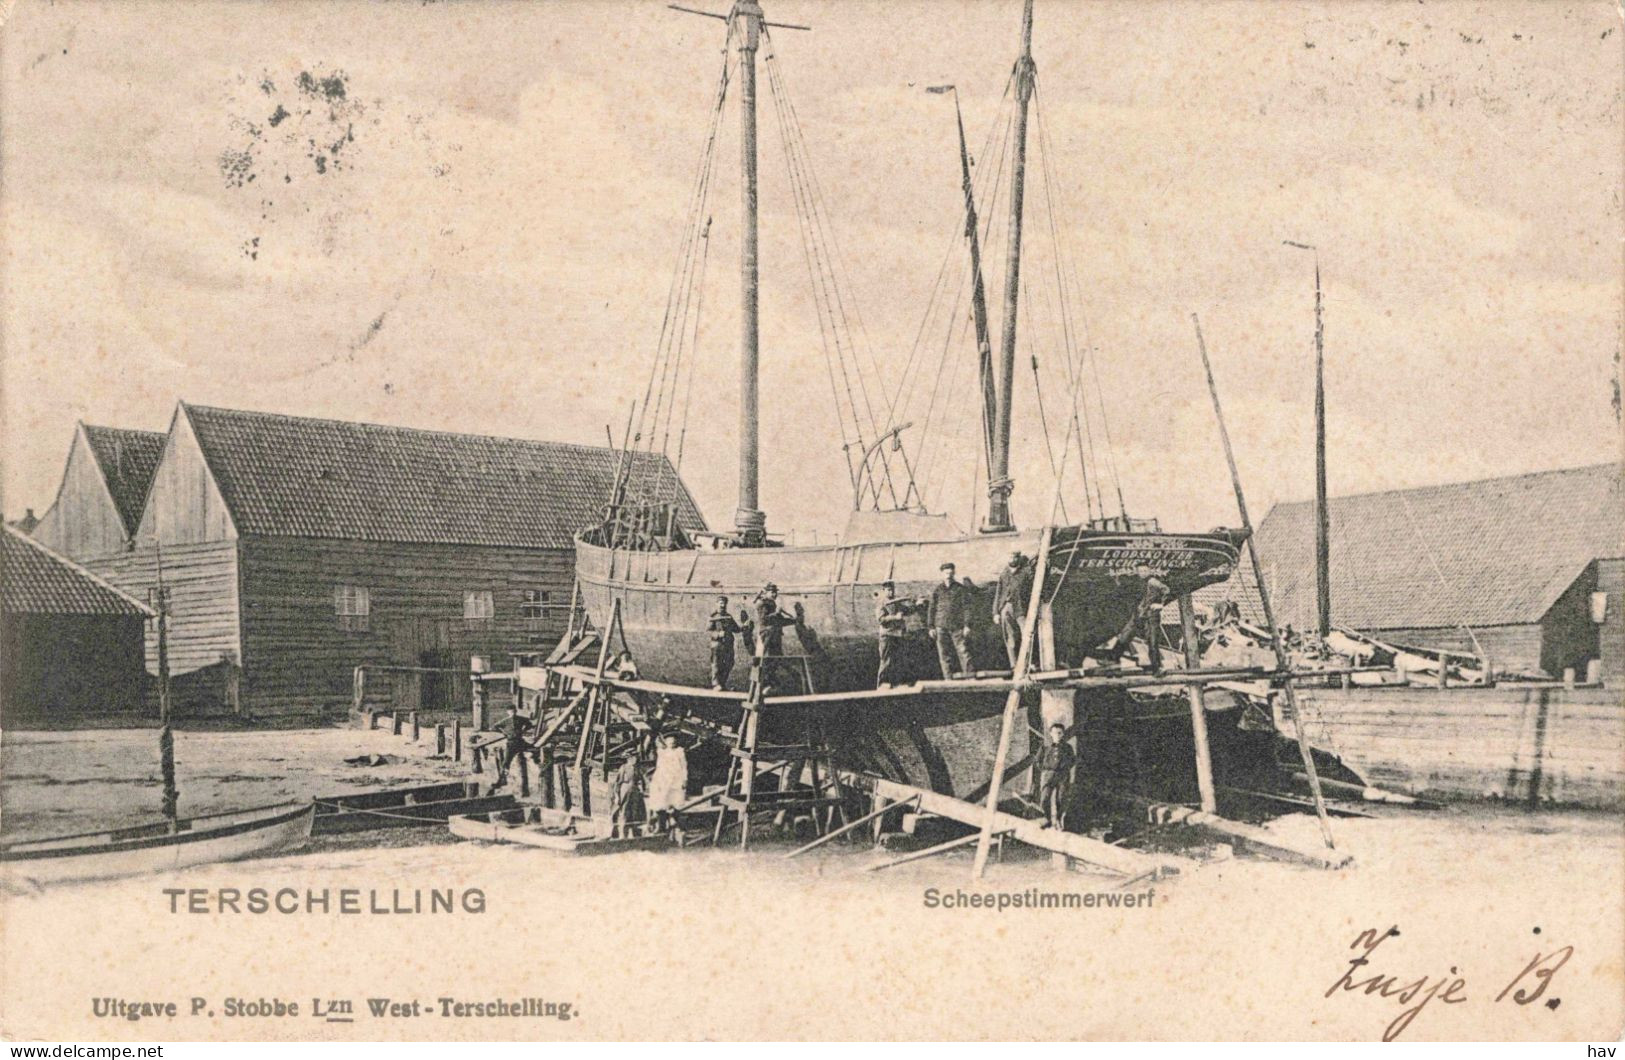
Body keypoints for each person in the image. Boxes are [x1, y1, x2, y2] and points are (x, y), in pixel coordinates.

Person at [927, 561, 974, 678]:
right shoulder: (938, 590)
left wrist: (967, 625)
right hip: (940, 627)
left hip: (957, 627)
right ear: (942, 574)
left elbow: (967, 608)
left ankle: (970, 677)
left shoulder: (960, 589)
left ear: (954, 573)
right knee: (944, 655)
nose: (948, 575)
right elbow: (931, 609)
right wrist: (931, 627)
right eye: (946, 573)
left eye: (950, 572)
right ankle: (948, 679)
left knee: (963, 652)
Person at [752, 583, 801, 690]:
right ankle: (766, 683)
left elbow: (778, 621)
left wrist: (793, 621)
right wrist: (776, 613)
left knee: (776, 658)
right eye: (772, 592)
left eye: (775, 592)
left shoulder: (771, 603)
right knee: (768, 658)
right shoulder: (762, 604)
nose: (774, 594)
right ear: (766, 592)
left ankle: (770, 682)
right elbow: (764, 620)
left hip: (774, 635)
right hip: (767, 635)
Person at [992, 551, 1034, 667]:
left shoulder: (1026, 572)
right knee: (1010, 637)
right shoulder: (1004, 574)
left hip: (1021, 608)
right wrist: (996, 612)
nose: (1012, 559)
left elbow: (1032, 590)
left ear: (1018, 559)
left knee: (1027, 635)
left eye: (1015, 557)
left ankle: (1027, 663)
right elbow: (998, 593)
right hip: (1006, 607)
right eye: (1010, 557)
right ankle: (1014, 665)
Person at [645, 731, 689, 834]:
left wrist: (685, 779)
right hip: (664, 779)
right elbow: (659, 766)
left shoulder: (680, 752)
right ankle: (661, 827)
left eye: (673, 741)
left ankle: (676, 826)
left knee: (676, 802)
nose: (672, 742)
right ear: (666, 742)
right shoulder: (662, 752)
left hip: (676, 780)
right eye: (669, 741)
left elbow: (684, 767)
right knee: (661, 802)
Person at [873, 580, 915, 688]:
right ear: (883, 591)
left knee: (898, 660)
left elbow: (907, 610)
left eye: (892, 590)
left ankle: (897, 683)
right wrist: (895, 617)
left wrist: (916, 605)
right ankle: (882, 684)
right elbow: (881, 619)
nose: (891, 592)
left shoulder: (896, 602)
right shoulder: (881, 603)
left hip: (898, 635)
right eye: (888, 590)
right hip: (887, 635)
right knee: (886, 661)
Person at [1034, 722, 1075, 829]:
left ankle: (1058, 819)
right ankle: (1046, 819)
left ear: (1062, 734)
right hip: (1048, 775)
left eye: (1059, 733)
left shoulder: (1067, 748)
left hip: (1062, 776)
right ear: (1051, 734)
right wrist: (1045, 769)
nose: (1057, 735)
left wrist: (1064, 768)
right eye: (1055, 733)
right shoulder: (1045, 747)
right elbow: (1037, 760)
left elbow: (1072, 760)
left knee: (1061, 798)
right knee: (1044, 798)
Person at [492, 711, 537, 793]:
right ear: (508, 712)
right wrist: (504, 732)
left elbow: (530, 724)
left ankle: (536, 759)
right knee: (506, 763)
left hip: (519, 741)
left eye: (513, 712)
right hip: (511, 743)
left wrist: (523, 730)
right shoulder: (506, 721)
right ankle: (501, 780)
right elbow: (494, 727)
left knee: (535, 749)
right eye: (510, 712)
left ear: (515, 712)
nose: (512, 714)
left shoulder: (520, 719)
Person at [706, 596, 742, 689]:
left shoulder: (728, 617)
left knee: (729, 663)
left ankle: (722, 683)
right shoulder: (713, 617)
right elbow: (708, 631)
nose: (722, 605)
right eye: (720, 603)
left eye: (724, 603)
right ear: (716, 604)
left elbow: (736, 629)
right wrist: (718, 634)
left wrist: (744, 627)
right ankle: (716, 684)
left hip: (728, 644)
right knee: (717, 664)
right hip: (717, 644)